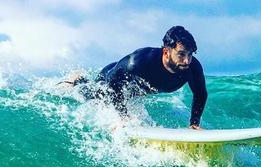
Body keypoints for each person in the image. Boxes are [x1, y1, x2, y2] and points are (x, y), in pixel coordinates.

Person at [64, 26, 208, 129]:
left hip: (136, 87)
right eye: (182, 54)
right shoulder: (139, 61)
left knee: (131, 94)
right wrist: (122, 116)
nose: (187, 60)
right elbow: (113, 84)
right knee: (94, 96)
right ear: (166, 52)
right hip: (111, 76)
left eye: (190, 54)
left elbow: (200, 93)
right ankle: (77, 81)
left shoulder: (192, 68)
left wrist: (194, 123)